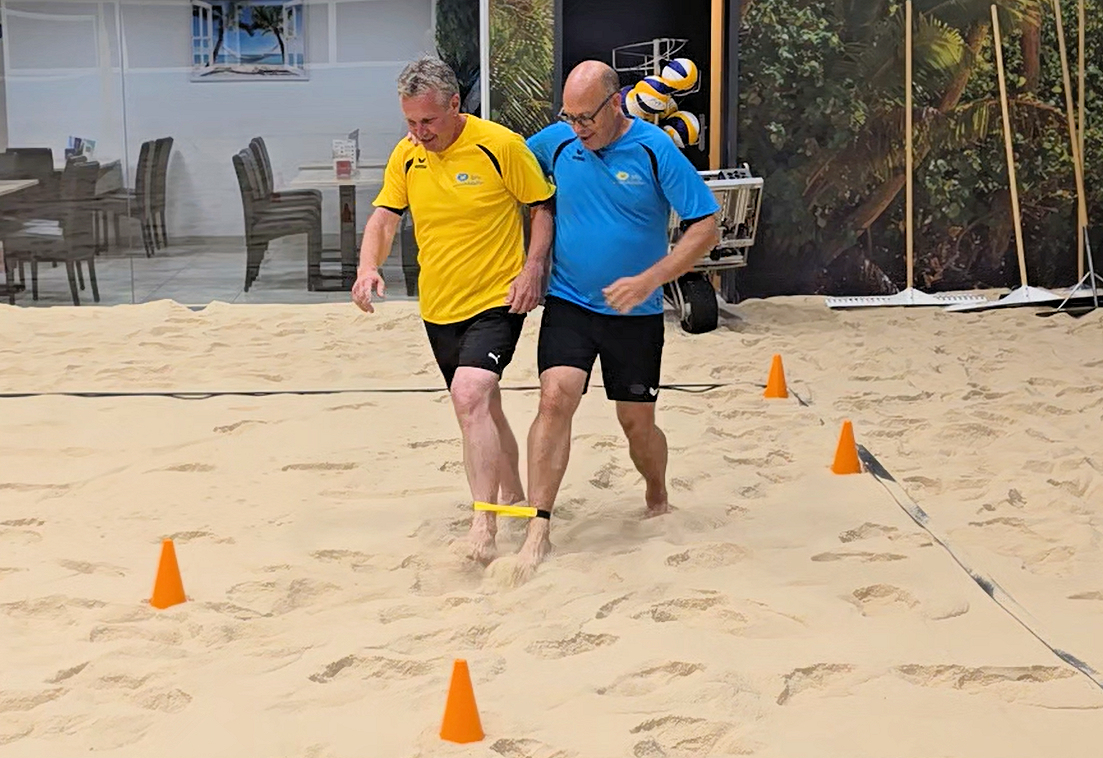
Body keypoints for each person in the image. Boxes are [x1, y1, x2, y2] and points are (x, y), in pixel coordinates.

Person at [513, 60, 721, 576]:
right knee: (555, 396)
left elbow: (706, 225)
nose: (578, 128)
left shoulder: (654, 148)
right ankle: (539, 526)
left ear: (615, 103)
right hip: (570, 301)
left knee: (636, 424)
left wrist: (651, 279)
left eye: (586, 117)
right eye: (569, 116)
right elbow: (507, 166)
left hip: (635, 312)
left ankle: (657, 494)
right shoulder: (556, 143)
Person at [351, 56, 556, 565]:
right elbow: (384, 217)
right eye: (410, 121)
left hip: (497, 299)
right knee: (482, 408)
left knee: (469, 395)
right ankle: (513, 494)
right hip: (439, 305)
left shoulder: (500, 145)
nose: (419, 132)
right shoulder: (407, 154)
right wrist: (367, 267)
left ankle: (483, 522)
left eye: (428, 120)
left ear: (455, 104)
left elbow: (541, 206)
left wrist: (532, 269)